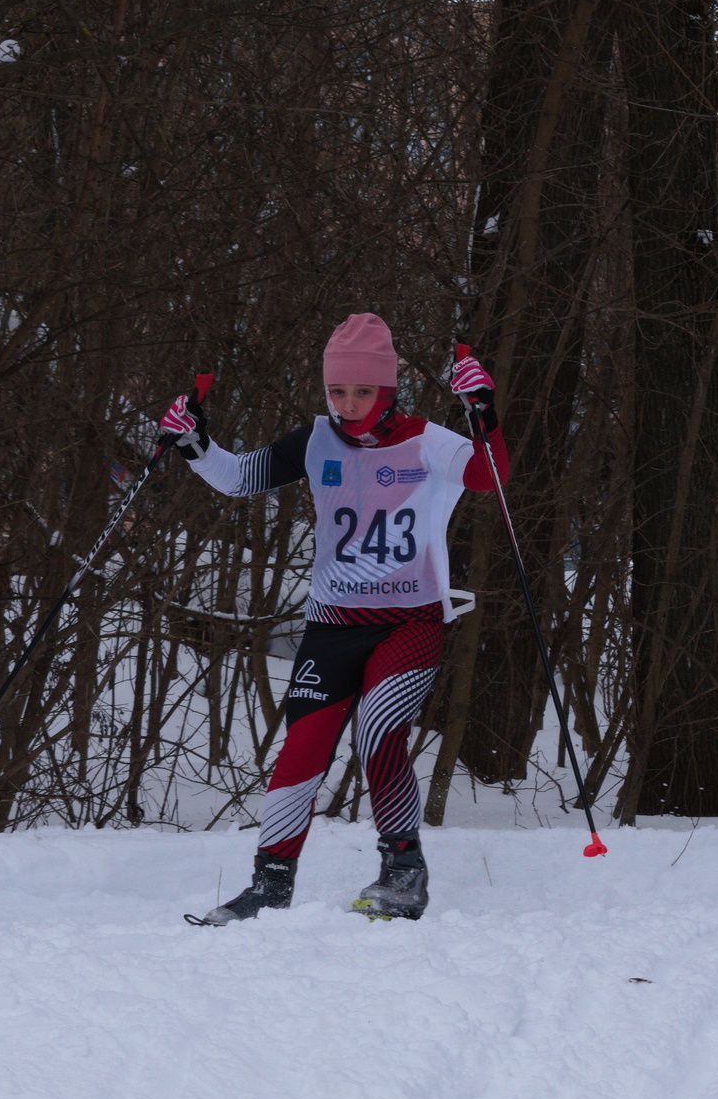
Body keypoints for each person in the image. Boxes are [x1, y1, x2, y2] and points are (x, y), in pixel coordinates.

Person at [156, 314, 507, 924]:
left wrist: (483, 410)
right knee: (302, 750)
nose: (349, 404)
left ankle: (403, 869)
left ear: (388, 389)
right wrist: (194, 444)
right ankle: (270, 882)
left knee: (378, 730)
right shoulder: (318, 440)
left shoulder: (427, 440)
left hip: (408, 623)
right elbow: (240, 478)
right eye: (338, 391)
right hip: (332, 625)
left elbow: (489, 476)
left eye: (363, 391)